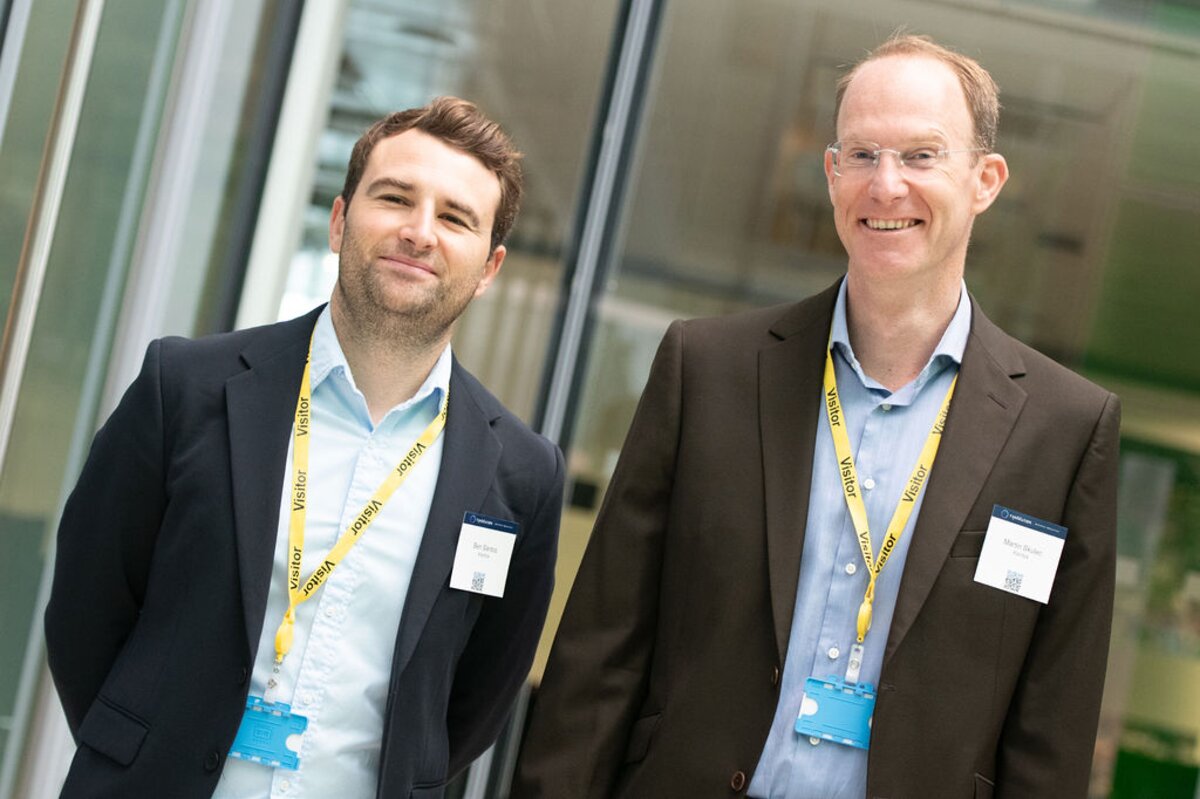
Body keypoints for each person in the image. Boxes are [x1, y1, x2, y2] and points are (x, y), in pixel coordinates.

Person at [513, 34, 1119, 799]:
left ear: (985, 180)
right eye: (862, 154)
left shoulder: (1064, 430)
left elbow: (1052, 730)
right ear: (831, 174)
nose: (886, 185)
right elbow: (600, 655)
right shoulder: (708, 371)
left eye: (921, 156)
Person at [45, 96, 564, 799]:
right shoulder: (186, 387)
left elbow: (473, 702)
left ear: (489, 267)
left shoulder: (522, 476)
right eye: (395, 198)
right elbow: (85, 612)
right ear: (340, 220)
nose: (419, 232)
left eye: (454, 218)